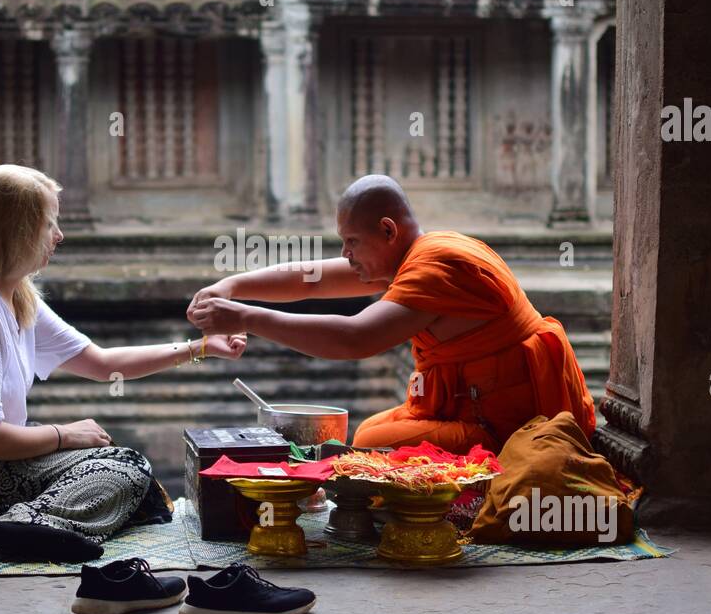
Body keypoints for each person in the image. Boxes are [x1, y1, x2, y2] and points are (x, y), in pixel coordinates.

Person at [0, 164, 246, 562]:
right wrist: (65, 434)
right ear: (19, 230)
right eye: (49, 225)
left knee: (123, 473)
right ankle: (37, 523)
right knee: (126, 466)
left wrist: (202, 347)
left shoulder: (17, 296)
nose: (59, 236)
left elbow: (103, 364)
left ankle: (42, 521)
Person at [187, 174, 595, 454]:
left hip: (515, 427)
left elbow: (355, 338)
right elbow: (311, 280)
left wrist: (247, 318)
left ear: (388, 231)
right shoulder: (412, 255)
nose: (345, 254)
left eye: (351, 242)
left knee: (369, 444)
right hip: (473, 410)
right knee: (371, 432)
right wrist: (233, 285)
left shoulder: (437, 266)